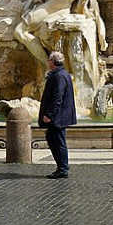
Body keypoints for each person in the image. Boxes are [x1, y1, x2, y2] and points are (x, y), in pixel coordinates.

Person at [38, 51, 77, 179]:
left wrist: (49, 114)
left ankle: (63, 168)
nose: (48, 62)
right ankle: (61, 167)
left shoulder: (59, 76)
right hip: (60, 115)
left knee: (58, 141)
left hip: (58, 117)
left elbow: (57, 98)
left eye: (49, 60)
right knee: (52, 138)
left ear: (53, 62)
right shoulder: (61, 74)